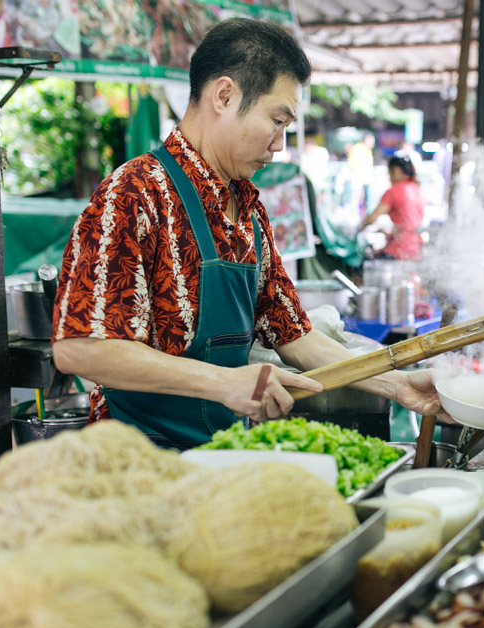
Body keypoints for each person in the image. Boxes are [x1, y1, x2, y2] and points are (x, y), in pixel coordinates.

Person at [51, 19, 445, 450]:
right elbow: (80, 348)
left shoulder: (248, 215)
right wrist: (223, 383)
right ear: (224, 95)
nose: (279, 144)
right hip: (137, 464)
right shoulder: (135, 193)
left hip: (222, 459)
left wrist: (399, 385)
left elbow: (296, 337)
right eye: (277, 120)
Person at [359, 155, 425, 261]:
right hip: (416, 248)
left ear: (396, 171)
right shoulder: (415, 188)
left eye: (389, 173)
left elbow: (372, 218)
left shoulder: (393, 191)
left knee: (363, 265)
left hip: (400, 249)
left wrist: (360, 225)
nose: (389, 178)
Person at [348, 133, 376, 217]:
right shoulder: (357, 149)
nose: (372, 144)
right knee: (358, 200)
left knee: (364, 201)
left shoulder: (368, 150)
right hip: (358, 179)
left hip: (366, 180)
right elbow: (352, 164)